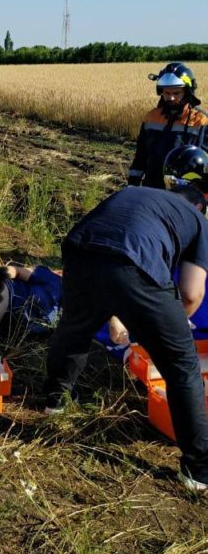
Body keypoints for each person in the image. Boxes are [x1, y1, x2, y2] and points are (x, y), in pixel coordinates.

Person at [44, 144, 208, 490]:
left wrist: (131, 314)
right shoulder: (197, 219)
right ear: (201, 203)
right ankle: (198, 470)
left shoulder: (137, 192)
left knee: (75, 329)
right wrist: (171, 328)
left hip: (80, 250)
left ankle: (55, 400)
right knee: (182, 367)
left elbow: (111, 251)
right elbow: (192, 293)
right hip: (132, 263)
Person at [127, 62, 208, 188]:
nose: (170, 98)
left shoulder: (201, 121)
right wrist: (132, 183)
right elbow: (141, 155)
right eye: (167, 93)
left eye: (176, 93)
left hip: (185, 192)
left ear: (187, 92)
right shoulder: (151, 118)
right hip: (152, 188)